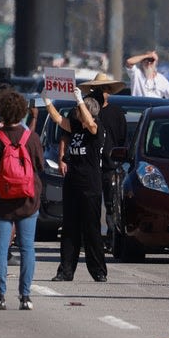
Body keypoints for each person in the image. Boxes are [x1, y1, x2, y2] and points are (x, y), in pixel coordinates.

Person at [0, 90, 43, 311]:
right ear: (23, 112)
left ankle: (0, 295)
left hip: (1, 201)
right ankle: (25, 296)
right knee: (27, 247)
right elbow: (39, 166)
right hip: (28, 200)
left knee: (0, 248)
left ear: (1, 111)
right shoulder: (31, 138)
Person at [45, 87, 107, 282]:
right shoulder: (76, 128)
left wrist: (80, 98)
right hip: (72, 184)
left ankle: (98, 270)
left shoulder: (96, 128)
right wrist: (47, 101)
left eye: (79, 109)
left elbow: (90, 122)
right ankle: (66, 270)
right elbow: (58, 120)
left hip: (90, 186)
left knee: (91, 229)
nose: (76, 112)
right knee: (70, 229)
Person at [77, 73, 128, 250]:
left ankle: (110, 238)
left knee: (111, 205)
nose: (101, 93)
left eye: (104, 89)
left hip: (110, 167)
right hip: (89, 165)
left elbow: (122, 139)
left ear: (110, 91)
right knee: (89, 205)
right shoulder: (87, 112)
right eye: (97, 89)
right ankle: (88, 239)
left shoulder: (117, 113)